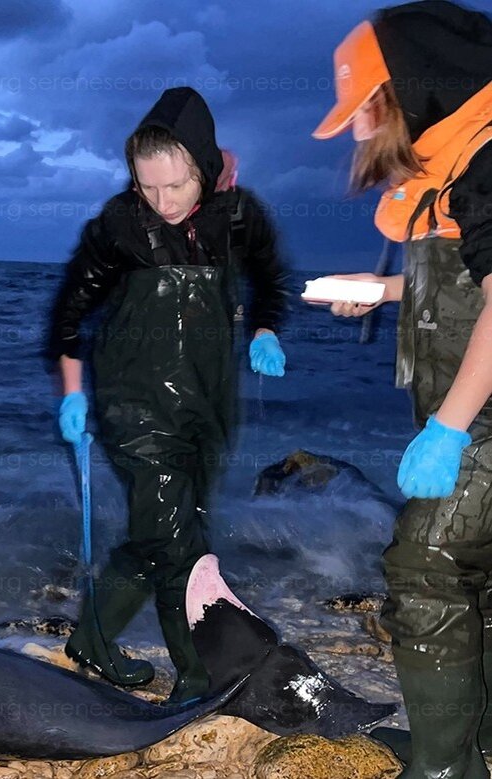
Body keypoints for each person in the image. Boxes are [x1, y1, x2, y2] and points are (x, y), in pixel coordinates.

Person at [47, 87, 290, 708]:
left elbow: (271, 278)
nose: (162, 202)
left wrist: (266, 329)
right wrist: (73, 395)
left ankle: (93, 640)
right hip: (133, 403)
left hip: (209, 401)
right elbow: (70, 314)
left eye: (176, 186)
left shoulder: (238, 216)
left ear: (204, 168)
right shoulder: (119, 224)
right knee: (181, 542)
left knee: (167, 530)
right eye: (148, 187)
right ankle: (197, 675)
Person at [312, 2, 492, 776]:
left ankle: (443, 767)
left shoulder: (486, 159)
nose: (354, 130)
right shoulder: (453, 163)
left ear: (407, 94)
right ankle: (463, 742)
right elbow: (460, 273)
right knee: (472, 575)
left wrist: (449, 427)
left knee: (425, 568)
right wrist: (383, 289)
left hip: (481, 421)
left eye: (361, 110)